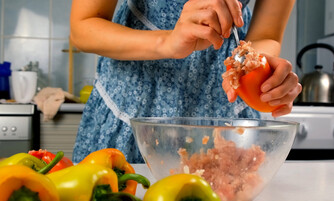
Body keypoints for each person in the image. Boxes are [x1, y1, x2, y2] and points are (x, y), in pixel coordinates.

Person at [70, 0, 302, 163]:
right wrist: (168, 41)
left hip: (224, 109)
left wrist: (259, 68)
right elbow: (83, 27)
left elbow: (266, 36)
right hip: (129, 107)